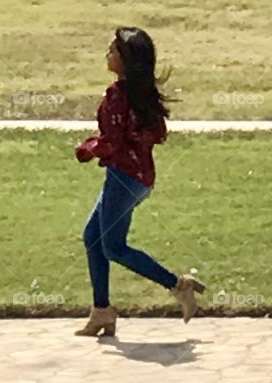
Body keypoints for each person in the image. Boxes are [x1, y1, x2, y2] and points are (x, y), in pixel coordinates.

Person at [74, 27, 205, 338]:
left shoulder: (118, 96)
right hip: (139, 178)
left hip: (123, 179)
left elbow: (112, 143)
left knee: (114, 247)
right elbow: (155, 134)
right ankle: (101, 311)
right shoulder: (139, 94)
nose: (107, 53)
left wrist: (87, 148)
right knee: (93, 237)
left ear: (126, 59)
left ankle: (178, 285)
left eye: (113, 50)